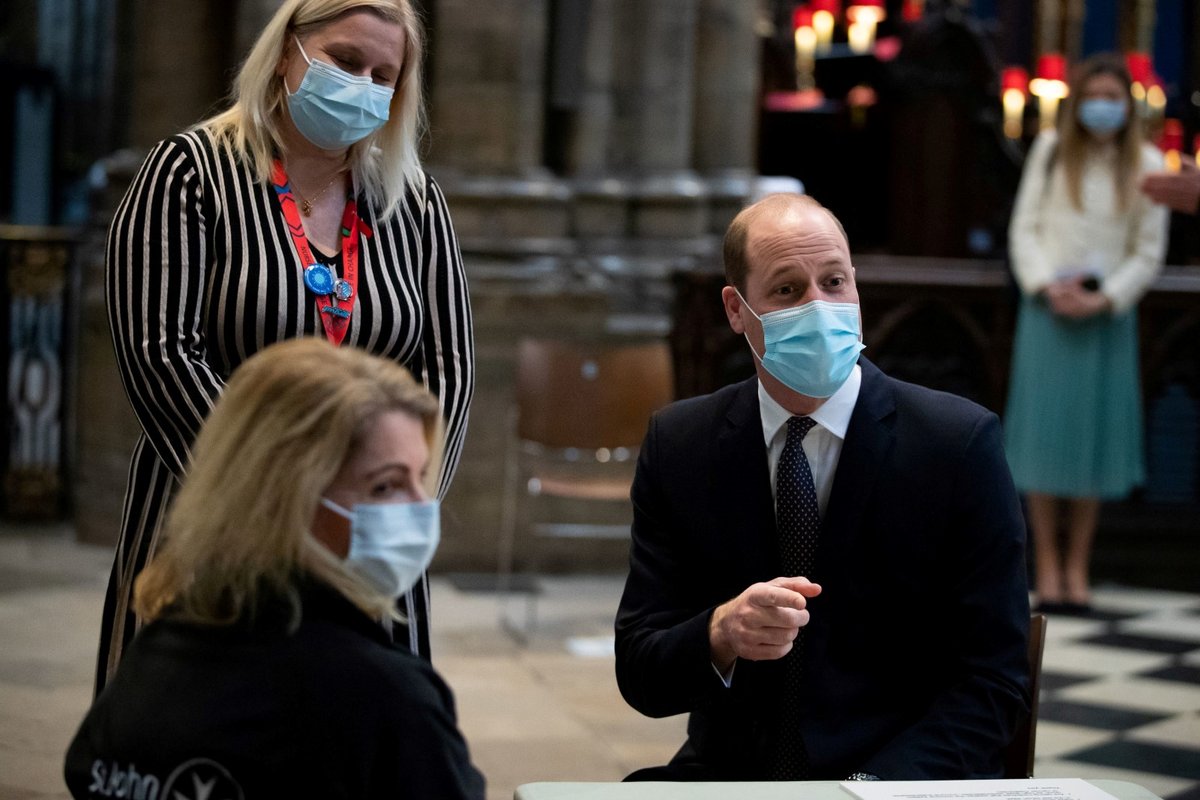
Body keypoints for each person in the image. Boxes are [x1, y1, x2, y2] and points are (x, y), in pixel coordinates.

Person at [98, 0, 474, 693]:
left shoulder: (411, 200)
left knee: (368, 748)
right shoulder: (189, 173)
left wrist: (402, 502)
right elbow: (161, 354)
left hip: (366, 542)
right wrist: (284, 505)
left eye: (384, 74)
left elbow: (447, 369)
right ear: (286, 52)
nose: (364, 84)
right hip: (214, 520)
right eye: (345, 60)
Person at [614, 192, 1030, 781]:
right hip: (732, 775)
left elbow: (994, 681)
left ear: (856, 288)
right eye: (787, 290)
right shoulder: (682, 443)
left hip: (895, 777)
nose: (819, 305)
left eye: (834, 282)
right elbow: (640, 672)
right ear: (737, 310)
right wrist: (720, 634)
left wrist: (867, 793)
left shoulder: (956, 444)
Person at [65, 338, 486, 799]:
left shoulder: (151, 660)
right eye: (385, 486)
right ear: (284, 495)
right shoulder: (387, 702)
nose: (422, 509)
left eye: (420, 478)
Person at [1005, 53, 1167, 614]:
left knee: (1092, 444)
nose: (1103, 107)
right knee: (1044, 440)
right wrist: (1049, 287)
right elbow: (1024, 227)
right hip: (1048, 310)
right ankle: (1045, 561)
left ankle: (1079, 564)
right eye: (1093, 96)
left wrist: (1104, 297)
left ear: (1129, 106)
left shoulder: (1149, 162)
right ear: (1078, 102)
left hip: (1105, 319)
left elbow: (1148, 251)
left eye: (1113, 97)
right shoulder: (1052, 152)